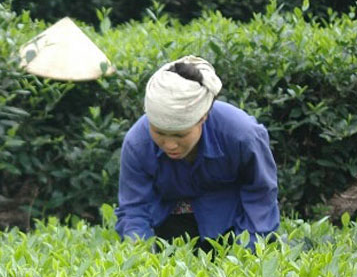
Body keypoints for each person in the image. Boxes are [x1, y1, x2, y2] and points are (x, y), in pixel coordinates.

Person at [115, 55, 279, 251]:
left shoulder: (242, 136)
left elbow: (261, 195)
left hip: (231, 227)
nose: (169, 144)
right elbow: (134, 209)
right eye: (159, 132)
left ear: (203, 118)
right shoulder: (137, 142)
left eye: (179, 134)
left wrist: (248, 252)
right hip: (169, 232)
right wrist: (142, 255)